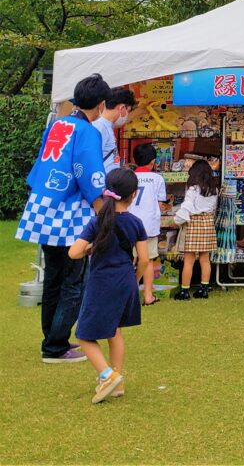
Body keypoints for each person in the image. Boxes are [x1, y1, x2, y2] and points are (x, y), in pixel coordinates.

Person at [16, 73, 110, 364]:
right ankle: (55, 346)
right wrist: (102, 212)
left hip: (44, 206)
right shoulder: (88, 132)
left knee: (53, 278)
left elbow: (41, 165)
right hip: (70, 214)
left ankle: (52, 339)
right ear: (101, 104)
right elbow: (90, 174)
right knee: (74, 281)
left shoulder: (58, 124)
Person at [68, 168, 148, 402]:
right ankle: (118, 382)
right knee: (115, 331)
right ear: (134, 194)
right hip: (126, 280)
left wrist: (89, 248)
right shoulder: (136, 223)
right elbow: (144, 260)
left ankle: (107, 375)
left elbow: (73, 253)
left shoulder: (98, 222)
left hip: (102, 283)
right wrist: (135, 279)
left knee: (83, 335)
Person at [173, 159, 218, 300]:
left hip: (194, 223)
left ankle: (184, 291)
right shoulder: (213, 190)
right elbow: (214, 208)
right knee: (205, 259)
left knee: (189, 260)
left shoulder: (192, 189)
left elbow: (187, 207)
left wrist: (178, 219)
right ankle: (204, 289)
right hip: (208, 223)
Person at [130, 143, 168, 306]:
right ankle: (148, 295)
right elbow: (160, 204)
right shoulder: (158, 179)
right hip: (149, 225)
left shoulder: (129, 177)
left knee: (130, 258)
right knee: (149, 259)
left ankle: (128, 293)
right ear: (153, 161)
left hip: (130, 223)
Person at [92, 86, 137, 173]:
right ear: (122, 108)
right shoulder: (100, 127)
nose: (127, 115)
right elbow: (92, 158)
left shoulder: (107, 126)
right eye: (128, 111)